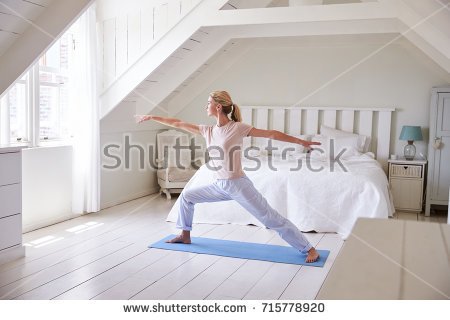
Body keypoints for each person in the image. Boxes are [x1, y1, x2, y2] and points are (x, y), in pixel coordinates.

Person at [135, 91, 321, 263]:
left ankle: (309, 248)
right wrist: (152, 117)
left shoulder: (237, 128)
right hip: (219, 185)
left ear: (218, 107)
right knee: (187, 196)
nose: (205, 106)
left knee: (270, 218)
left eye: (208, 103)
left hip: (238, 185)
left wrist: (301, 142)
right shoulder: (207, 130)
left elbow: (271, 134)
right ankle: (185, 235)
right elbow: (177, 123)